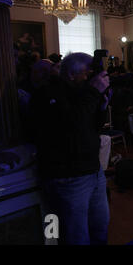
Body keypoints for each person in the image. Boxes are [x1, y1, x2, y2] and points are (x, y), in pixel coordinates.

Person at [30, 52, 110, 245]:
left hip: (93, 171)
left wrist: (101, 104)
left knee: (100, 227)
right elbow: (71, 124)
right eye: (86, 73)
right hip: (68, 177)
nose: (89, 78)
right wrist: (93, 94)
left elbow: (93, 127)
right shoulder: (47, 94)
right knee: (76, 236)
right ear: (71, 74)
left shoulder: (81, 92)